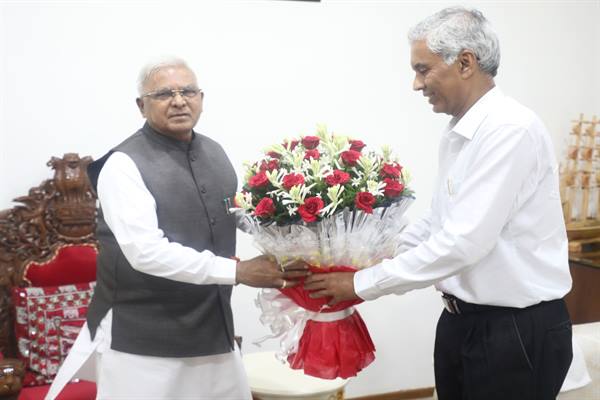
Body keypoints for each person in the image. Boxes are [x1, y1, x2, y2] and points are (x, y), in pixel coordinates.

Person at [305, 7, 573, 400]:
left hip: (513, 328)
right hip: (462, 321)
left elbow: (462, 243)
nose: (416, 84)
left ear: (465, 63)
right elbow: (439, 222)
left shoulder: (509, 129)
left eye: (423, 69)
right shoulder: (460, 131)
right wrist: (369, 257)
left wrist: (363, 284)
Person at [46, 57, 308, 400]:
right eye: (164, 94)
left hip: (213, 328)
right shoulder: (121, 165)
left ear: (201, 98)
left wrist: (300, 229)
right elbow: (145, 252)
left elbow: (234, 213)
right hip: (143, 340)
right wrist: (239, 271)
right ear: (141, 106)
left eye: (188, 91)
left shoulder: (214, 151)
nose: (179, 101)